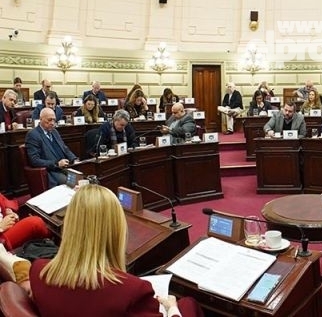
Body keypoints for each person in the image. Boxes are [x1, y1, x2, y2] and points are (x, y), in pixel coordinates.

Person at [24, 185, 203, 317]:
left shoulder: (38, 270)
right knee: (189, 304)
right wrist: (172, 309)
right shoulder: (132, 291)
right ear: (116, 229)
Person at [25, 108, 78, 187]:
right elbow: (34, 160)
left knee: (85, 179)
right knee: (74, 183)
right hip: (51, 171)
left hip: (64, 168)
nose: (52, 123)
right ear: (41, 119)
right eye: (49, 120)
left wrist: (74, 159)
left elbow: (64, 148)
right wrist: (57, 164)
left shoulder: (54, 131)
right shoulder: (33, 134)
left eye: (54, 120)